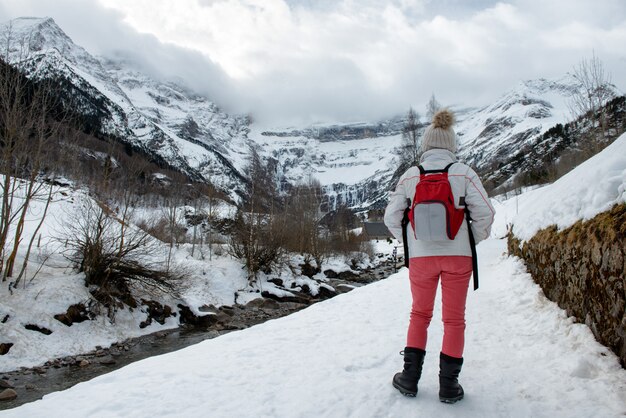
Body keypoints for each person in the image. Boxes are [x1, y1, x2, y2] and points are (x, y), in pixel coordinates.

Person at [383, 109, 495, 403]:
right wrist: (471, 240)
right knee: (454, 320)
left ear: (425, 145)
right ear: (451, 145)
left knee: (419, 314)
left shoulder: (410, 176)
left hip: (421, 260)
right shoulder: (464, 173)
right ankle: (449, 387)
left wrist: (411, 242)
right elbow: (485, 214)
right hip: (459, 257)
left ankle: (409, 379)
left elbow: (391, 218)